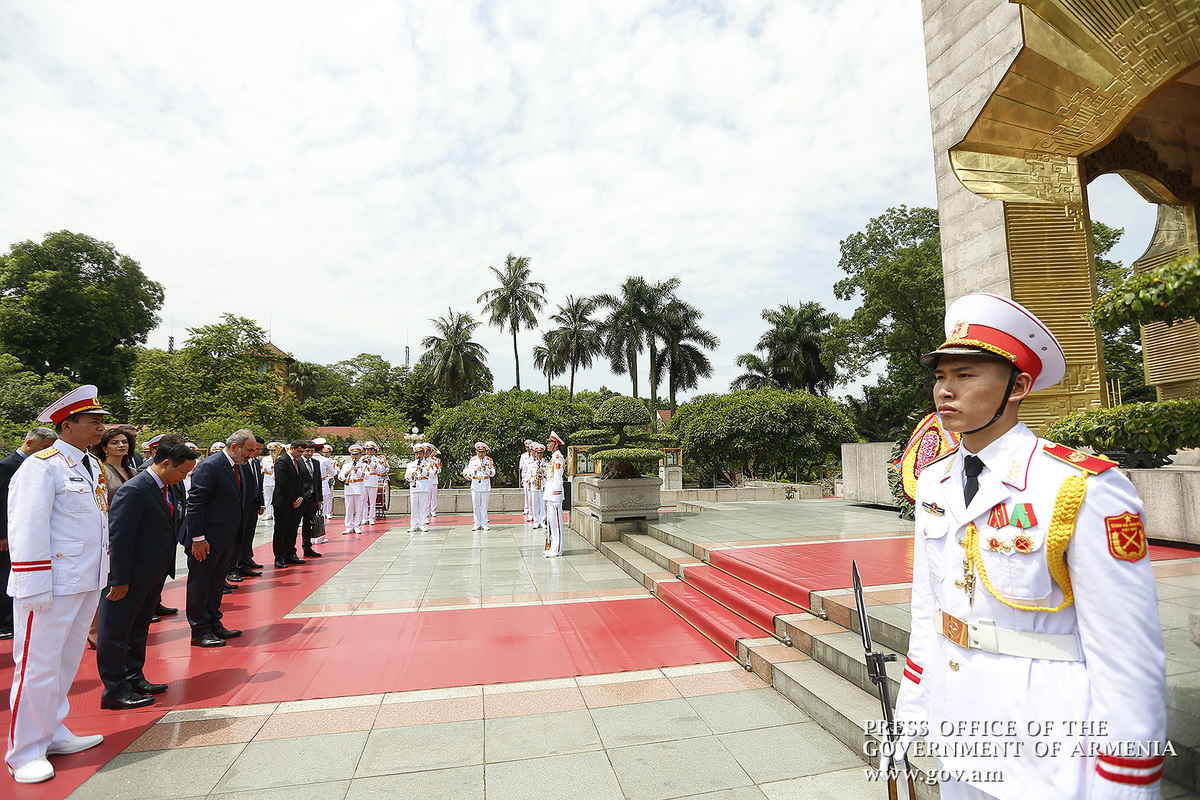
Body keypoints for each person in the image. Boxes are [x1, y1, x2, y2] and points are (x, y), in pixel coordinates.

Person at [885, 293, 1166, 799]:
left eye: (965, 375)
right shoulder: (933, 481)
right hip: (955, 716)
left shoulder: (1080, 487)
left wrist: (1128, 779)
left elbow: (1125, 650)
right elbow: (929, 607)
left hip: (1045, 728)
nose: (945, 390)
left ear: (1018, 387)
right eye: (940, 376)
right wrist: (912, 709)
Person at [6, 386, 110, 784]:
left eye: (101, 421)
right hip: (49, 584)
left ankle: (52, 731)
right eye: (93, 421)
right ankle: (25, 751)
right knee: (37, 666)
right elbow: (26, 526)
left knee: (65, 662)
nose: (100, 428)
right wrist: (32, 584)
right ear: (67, 425)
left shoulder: (92, 464)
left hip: (85, 579)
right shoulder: (41, 466)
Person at [96, 441, 198, 710]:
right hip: (130, 576)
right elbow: (120, 538)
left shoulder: (168, 486)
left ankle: (134, 677)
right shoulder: (135, 490)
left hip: (154, 573)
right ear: (165, 463)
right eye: (182, 472)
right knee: (116, 633)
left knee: (139, 630)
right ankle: (114, 689)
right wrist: (118, 579)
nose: (184, 477)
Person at [183, 429, 258, 647]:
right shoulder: (210, 466)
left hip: (227, 538)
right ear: (234, 447)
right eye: (249, 450)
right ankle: (199, 630)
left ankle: (214, 623)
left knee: (216, 584)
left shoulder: (238, 466)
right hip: (206, 540)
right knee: (200, 584)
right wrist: (198, 538)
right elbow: (196, 503)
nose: (252, 454)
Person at [0, 427, 58, 642]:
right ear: (30, 442)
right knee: (5, 575)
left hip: (28, 531)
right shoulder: (7, 465)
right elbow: (3, 503)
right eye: (45, 447)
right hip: (9, 534)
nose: (47, 451)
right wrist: (3, 534)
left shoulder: (44, 465)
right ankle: (4, 620)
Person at [229, 436, 265, 581]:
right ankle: (233, 568)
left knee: (248, 535)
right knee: (238, 538)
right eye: (256, 449)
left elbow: (258, 483)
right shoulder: (240, 462)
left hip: (253, 504)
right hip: (241, 505)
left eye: (260, 449)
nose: (257, 452)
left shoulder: (255, 462)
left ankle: (245, 562)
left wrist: (260, 502)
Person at [271, 441, 310, 567]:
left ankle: (290, 554)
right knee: (281, 530)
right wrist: (293, 500)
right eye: (299, 451)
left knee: (292, 530)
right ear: (292, 448)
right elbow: (282, 483)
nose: (301, 454)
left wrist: (301, 497)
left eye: (302, 452)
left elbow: (301, 481)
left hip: (296, 502)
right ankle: (279, 557)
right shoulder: (282, 461)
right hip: (283, 502)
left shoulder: (298, 462)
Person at [94, 427, 136, 501]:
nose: (121, 445)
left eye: (124, 442)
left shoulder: (133, 471)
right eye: (114, 443)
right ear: (105, 449)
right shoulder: (99, 470)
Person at [463, 442, 496, 531]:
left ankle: (484, 523)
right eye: (479, 451)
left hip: (485, 484)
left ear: (486, 452)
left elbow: (493, 473)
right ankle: (477, 523)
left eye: (483, 452)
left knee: (484, 505)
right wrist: (475, 470)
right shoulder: (472, 460)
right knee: (476, 505)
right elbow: (468, 474)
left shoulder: (489, 460)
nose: (481, 454)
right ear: (476, 451)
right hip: (476, 484)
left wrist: (486, 469)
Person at [298, 442, 323, 558]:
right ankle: (290, 551)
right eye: (307, 451)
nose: (310, 453)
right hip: (301, 498)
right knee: (295, 524)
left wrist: (319, 498)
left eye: (312, 451)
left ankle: (307, 547)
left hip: (312, 498)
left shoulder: (316, 463)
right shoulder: (297, 462)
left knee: (308, 524)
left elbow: (318, 481)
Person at [543, 432, 566, 558]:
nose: (547, 445)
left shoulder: (558, 459)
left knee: (557, 522)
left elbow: (558, 479)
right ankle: (553, 546)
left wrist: (557, 496)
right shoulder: (553, 458)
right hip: (549, 494)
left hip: (555, 494)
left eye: (550, 443)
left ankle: (558, 548)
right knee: (552, 521)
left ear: (556, 445)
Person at [339, 444, 367, 534]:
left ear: (360, 455)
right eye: (353, 454)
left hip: (359, 487)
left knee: (359, 508)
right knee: (348, 508)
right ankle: (348, 526)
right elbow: (340, 477)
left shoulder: (364, 465)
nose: (354, 456)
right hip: (349, 487)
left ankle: (357, 526)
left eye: (356, 454)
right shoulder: (346, 465)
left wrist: (357, 471)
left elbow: (367, 476)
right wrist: (345, 474)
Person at [405, 443, 431, 533]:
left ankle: (422, 524)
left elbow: (431, 474)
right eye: (416, 453)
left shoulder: (428, 464)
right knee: (414, 507)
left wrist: (422, 471)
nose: (418, 455)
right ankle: (413, 525)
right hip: (414, 487)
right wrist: (411, 476)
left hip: (424, 487)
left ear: (423, 454)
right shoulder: (411, 464)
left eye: (420, 453)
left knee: (423, 507)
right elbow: (406, 476)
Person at [362, 441, 382, 525]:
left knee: (372, 501)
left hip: (373, 481)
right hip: (363, 482)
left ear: (374, 451)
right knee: (364, 501)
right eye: (367, 450)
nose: (369, 452)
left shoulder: (377, 460)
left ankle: (372, 517)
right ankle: (364, 517)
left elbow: (380, 469)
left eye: (371, 450)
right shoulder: (362, 459)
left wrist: (371, 462)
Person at [528, 442, 547, 529]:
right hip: (534, 486)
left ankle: (542, 521)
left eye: (540, 453)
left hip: (543, 485)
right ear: (535, 453)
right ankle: (536, 521)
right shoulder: (531, 464)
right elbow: (527, 476)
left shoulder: (546, 464)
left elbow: (550, 475)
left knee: (543, 504)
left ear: (542, 454)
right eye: (537, 453)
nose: (539, 455)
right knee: (535, 504)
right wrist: (533, 480)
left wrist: (544, 472)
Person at [261, 442, 282, 520]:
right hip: (267, 479)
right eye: (271, 450)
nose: (272, 452)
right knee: (268, 498)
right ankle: (268, 514)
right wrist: (271, 466)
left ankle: (275, 514)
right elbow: (262, 468)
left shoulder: (279, 458)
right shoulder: (265, 459)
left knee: (276, 498)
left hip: (276, 480)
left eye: (274, 450)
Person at [519, 440, 534, 522]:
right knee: (527, 493)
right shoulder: (523, 456)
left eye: (529, 447)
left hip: (533, 477)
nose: (528, 449)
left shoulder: (534, 456)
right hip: (526, 476)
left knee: (532, 495)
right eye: (527, 447)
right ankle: (526, 508)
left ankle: (533, 511)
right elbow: (521, 466)